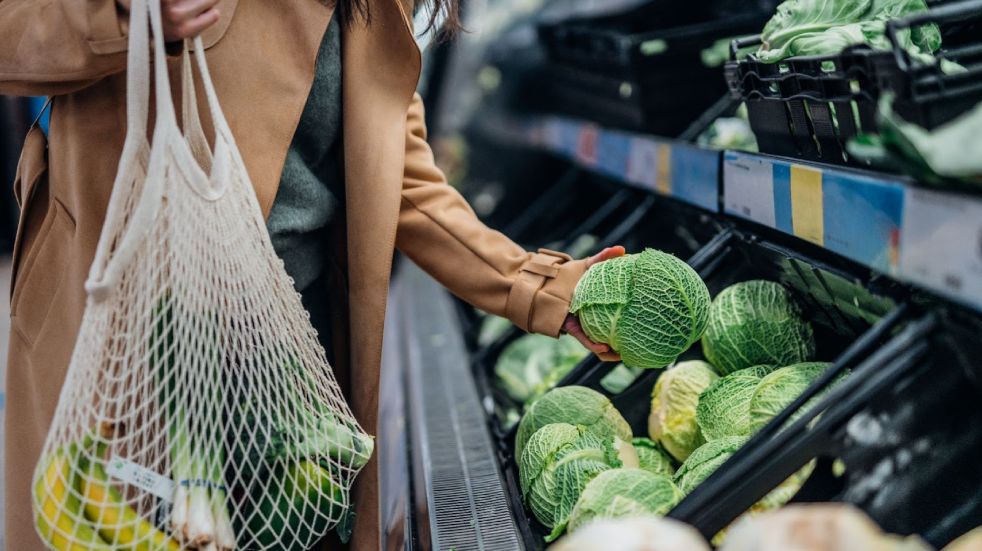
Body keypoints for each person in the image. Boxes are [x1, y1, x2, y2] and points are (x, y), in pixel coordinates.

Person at [0, 1, 622, 549]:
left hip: (291, 362)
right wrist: (121, 16)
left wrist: (544, 287)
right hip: (135, 345)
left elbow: (405, 184)